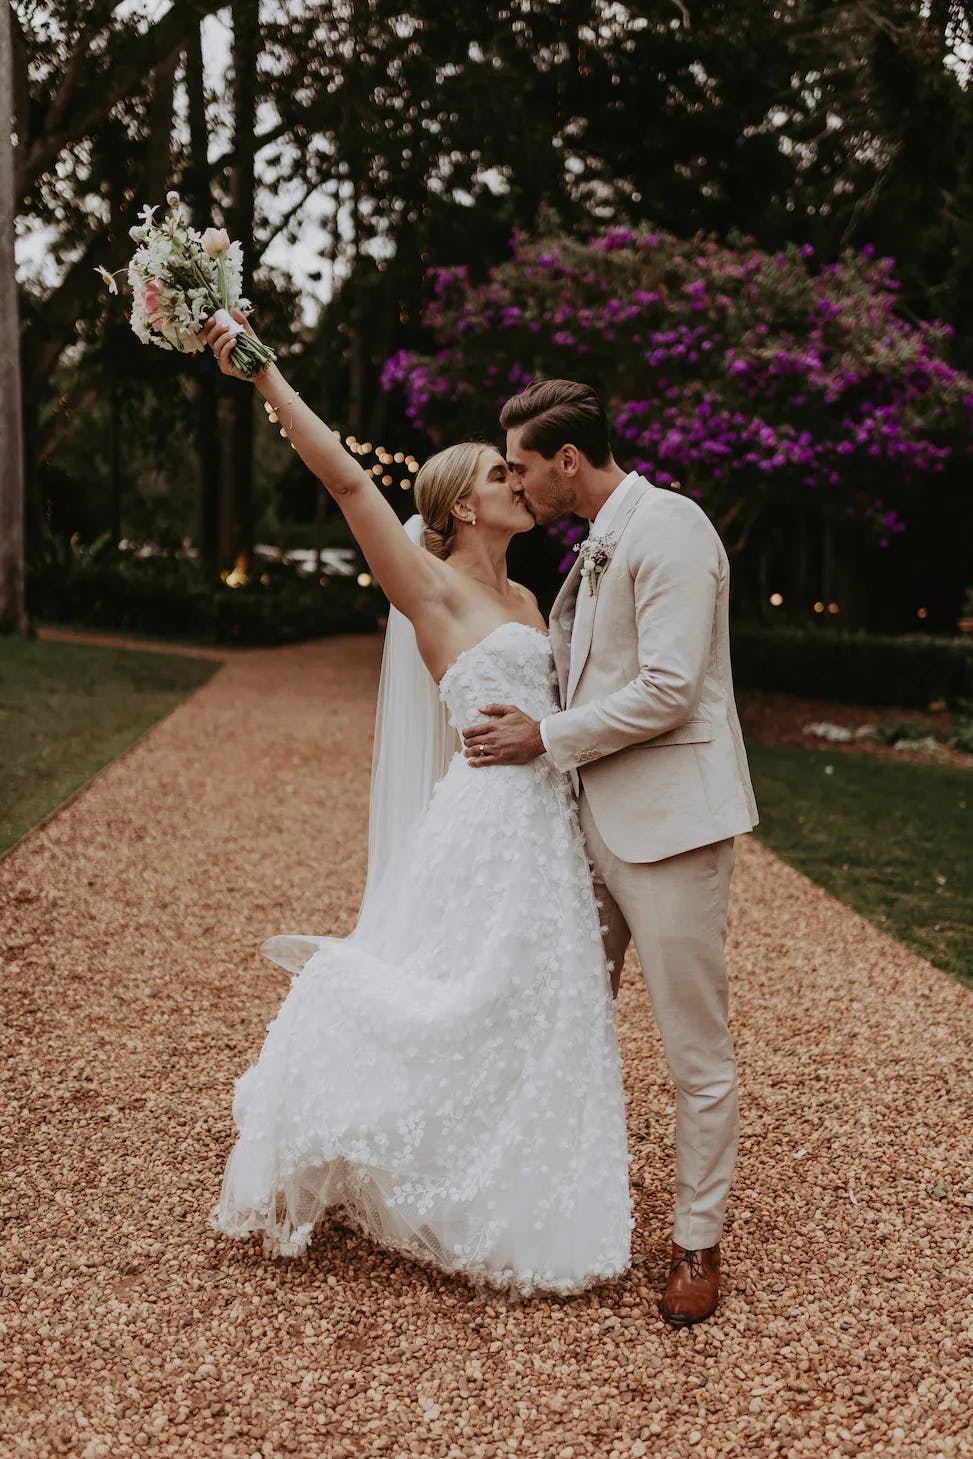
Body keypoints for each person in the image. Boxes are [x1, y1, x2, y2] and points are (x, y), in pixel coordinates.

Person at [201, 310, 633, 1299]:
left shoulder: (538, 601)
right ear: (461, 507)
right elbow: (348, 480)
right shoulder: (430, 593)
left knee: (537, 1014)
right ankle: (382, 1139)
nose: (515, 482)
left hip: (550, 835)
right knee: (454, 1000)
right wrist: (262, 371)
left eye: (514, 471)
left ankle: (518, 1196)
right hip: (482, 827)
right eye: (496, 474)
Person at [460, 378, 759, 1327]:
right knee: (553, 1015)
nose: (513, 483)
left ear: (567, 463)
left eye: (518, 467)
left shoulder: (670, 529)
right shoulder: (588, 550)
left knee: (692, 1049)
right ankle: (536, 1204)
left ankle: (695, 1240)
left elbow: (670, 690)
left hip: (670, 831)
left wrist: (541, 737)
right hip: (586, 828)